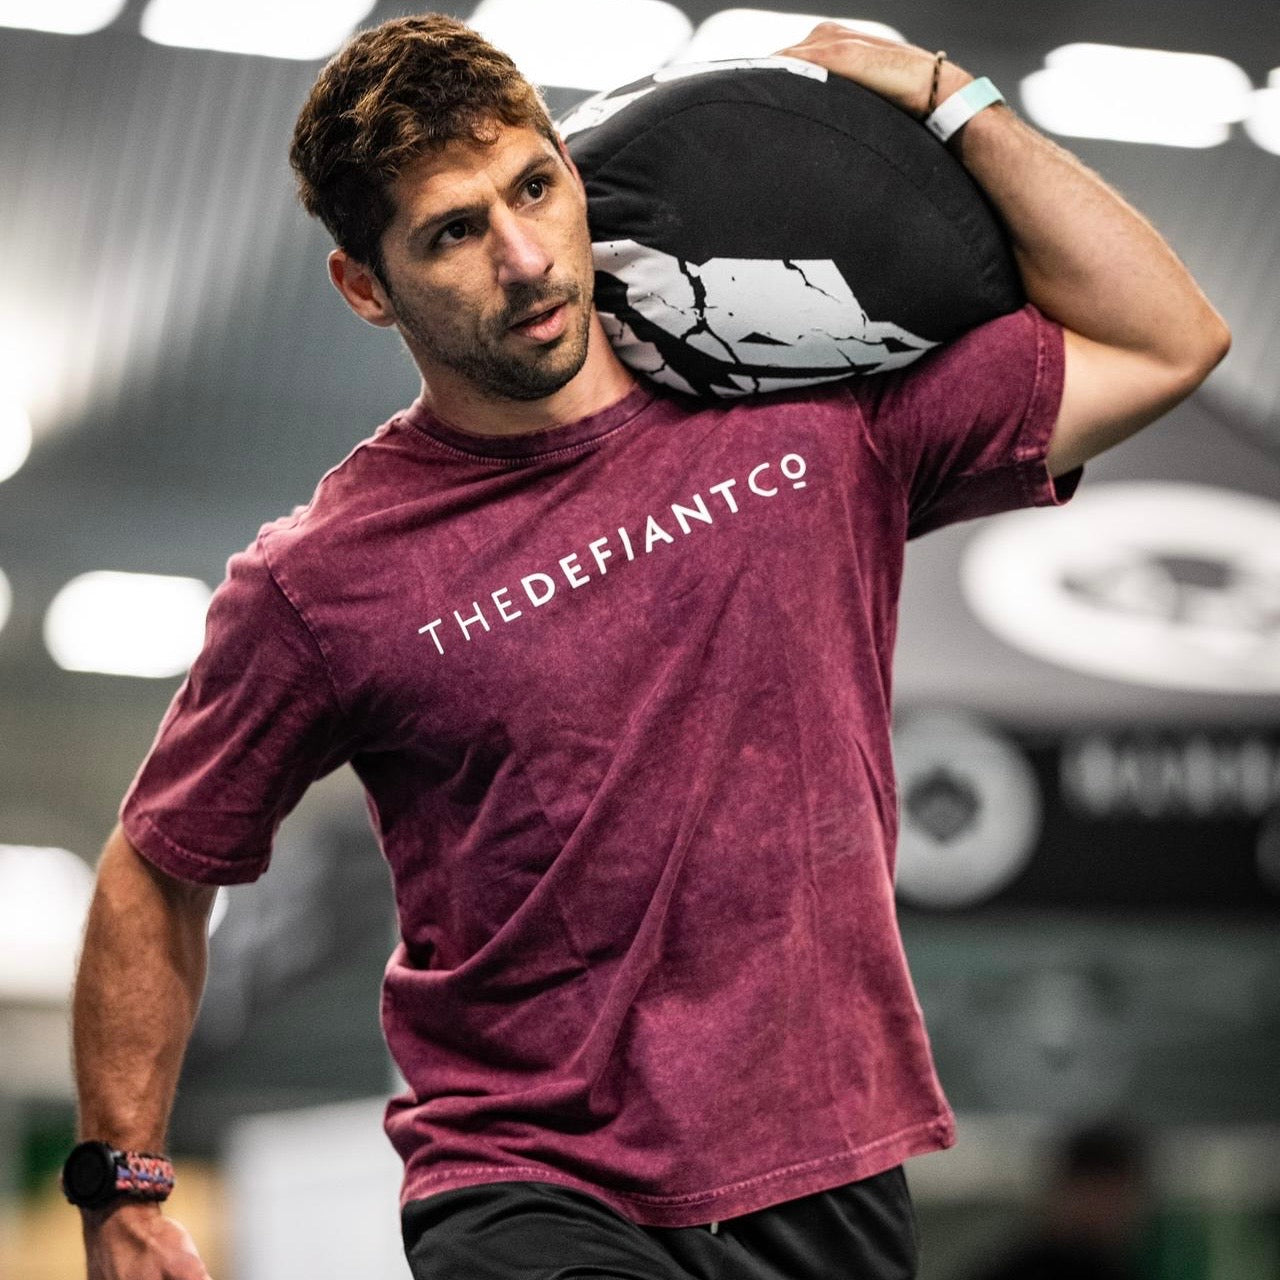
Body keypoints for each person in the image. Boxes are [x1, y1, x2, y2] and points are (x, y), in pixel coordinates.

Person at [65, 14, 1228, 1280]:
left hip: (829, 1166)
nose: (521, 257)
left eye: (533, 186)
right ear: (364, 285)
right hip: (531, 1184)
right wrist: (122, 1184)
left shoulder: (808, 409)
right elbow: (158, 864)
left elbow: (1166, 339)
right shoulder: (322, 580)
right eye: (453, 231)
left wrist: (947, 97)